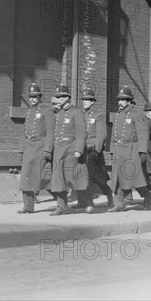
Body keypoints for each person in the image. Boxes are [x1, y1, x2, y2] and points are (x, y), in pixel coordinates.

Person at [108, 86, 151, 212]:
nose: (120, 102)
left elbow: (143, 134)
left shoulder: (136, 114)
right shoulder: (117, 115)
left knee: (133, 178)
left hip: (131, 149)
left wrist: (142, 151)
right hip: (118, 149)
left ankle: (147, 195)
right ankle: (119, 203)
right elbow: (113, 134)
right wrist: (112, 150)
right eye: (119, 99)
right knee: (117, 177)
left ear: (129, 101)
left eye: (123, 100)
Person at [49, 84, 91, 215]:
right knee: (59, 179)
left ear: (67, 97)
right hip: (59, 149)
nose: (59, 99)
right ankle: (62, 207)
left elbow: (82, 133)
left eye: (62, 96)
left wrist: (79, 149)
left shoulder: (76, 111)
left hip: (71, 149)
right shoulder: (58, 113)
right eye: (58, 97)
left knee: (74, 177)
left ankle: (86, 201)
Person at [17, 83, 55, 214]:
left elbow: (50, 132)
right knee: (26, 177)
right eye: (31, 97)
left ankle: (62, 201)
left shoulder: (47, 110)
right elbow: (26, 132)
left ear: (40, 97)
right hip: (30, 147)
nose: (32, 99)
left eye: (35, 97)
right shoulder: (30, 111)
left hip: (40, 147)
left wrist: (47, 150)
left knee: (44, 177)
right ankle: (28, 206)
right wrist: (23, 148)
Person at [80, 88, 114, 207]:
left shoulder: (98, 115)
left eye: (88, 100)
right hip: (81, 149)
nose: (85, 101)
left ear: (93, 102)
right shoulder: (81, 114)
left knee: (96, 176)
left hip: (92, 150)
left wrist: (96, 149)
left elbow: (102, 133)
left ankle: (109, 194)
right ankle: (82, 201)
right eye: (84, 99)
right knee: (80, 174)